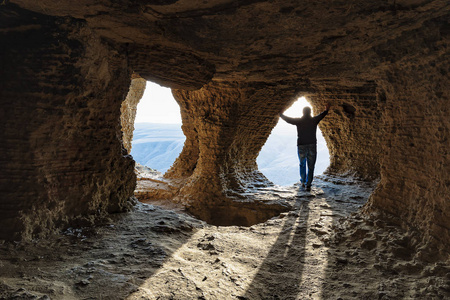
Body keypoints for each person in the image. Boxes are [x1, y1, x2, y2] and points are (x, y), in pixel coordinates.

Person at [279, 103, 331, 191]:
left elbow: (288, 119)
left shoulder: (299, 121)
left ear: (303, 113)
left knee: (302, 164)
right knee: (311, 166)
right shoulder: (314, 120)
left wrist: (281, 114)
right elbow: (322, 115)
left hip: (301, 145)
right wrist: (326, 109)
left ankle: (303, 181)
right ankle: (308, 184)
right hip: (312, 145)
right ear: (310, 112)